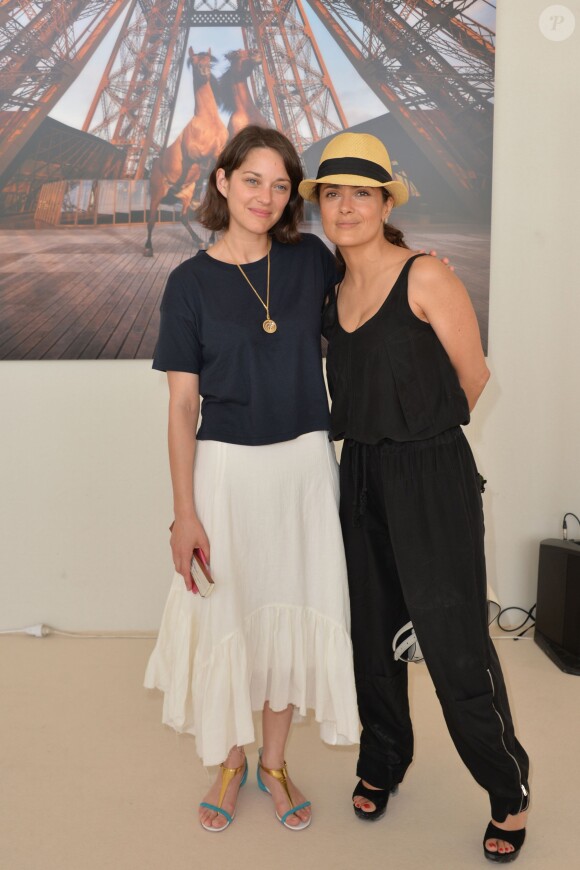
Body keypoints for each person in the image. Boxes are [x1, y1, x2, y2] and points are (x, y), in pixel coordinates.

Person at [299, 132, 530, 863]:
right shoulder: (332, 294)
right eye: (332, 194)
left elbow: (474, 376)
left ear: (384, 203)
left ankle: (506, 790)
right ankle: (383, 760)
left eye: (359, 193)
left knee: (454, 642)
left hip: (431, 477)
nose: (345, 205)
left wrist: (420, 438)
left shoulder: (426, 275)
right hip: (359, 473)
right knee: (372, 636)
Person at [144, 125, 360, 833]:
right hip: (228, 475)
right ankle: (230, 761)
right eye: (251, 180)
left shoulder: (310, 261)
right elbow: (182, 406)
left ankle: (274, 761)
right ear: (221, 182)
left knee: (288, 614)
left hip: (303, 470)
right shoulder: (190, 283)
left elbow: (372, 294)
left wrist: (425, 272)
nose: (265, 196)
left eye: (279, 184)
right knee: (229, 618)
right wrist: (184, 512)